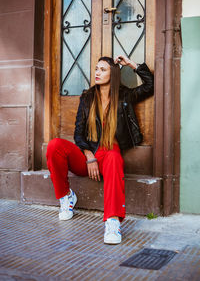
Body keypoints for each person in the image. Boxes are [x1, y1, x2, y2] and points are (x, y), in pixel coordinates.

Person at [46, 55, 154, 245]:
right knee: (55, 145)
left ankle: (112, 221)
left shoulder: (124, 96)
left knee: (113, 156)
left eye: (103, 69)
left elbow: (150, 84)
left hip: (109, 153)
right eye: (96, 69)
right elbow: (78, 133)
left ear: (113, 74)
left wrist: (130, 64)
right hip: (88, 155)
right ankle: (66, 197)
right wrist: (89, 156)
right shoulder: (87, 98)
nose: (97, 72)